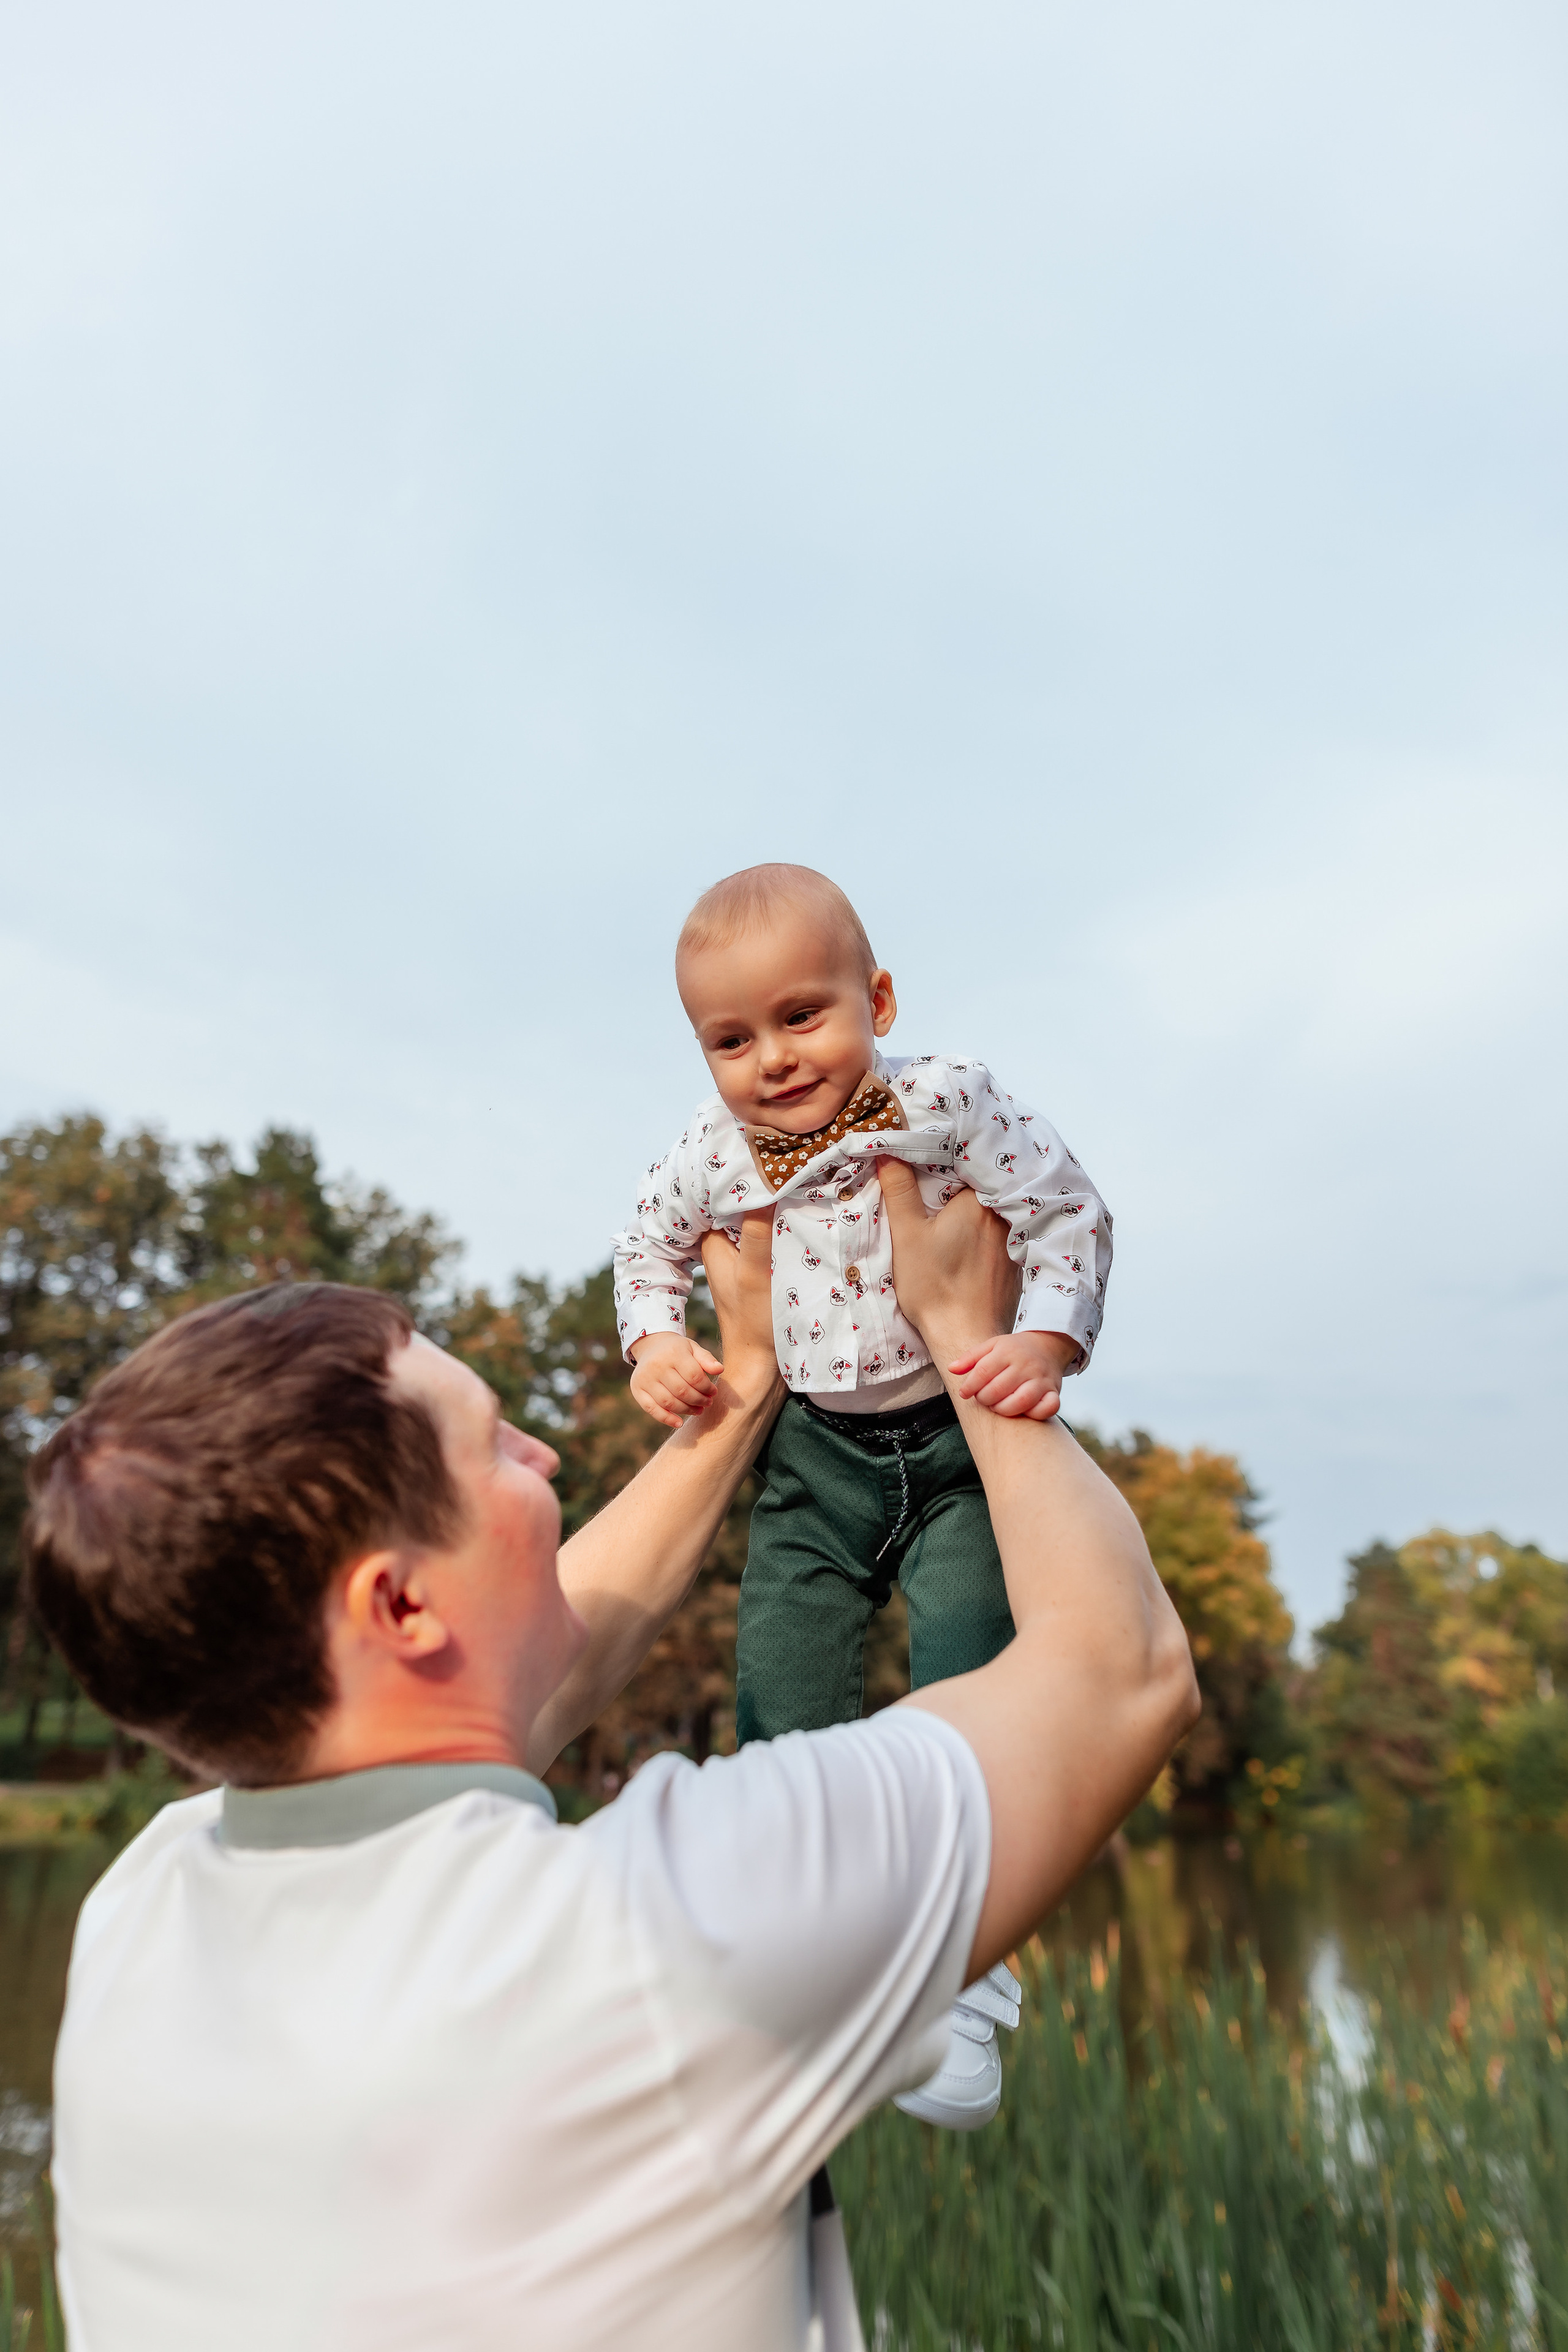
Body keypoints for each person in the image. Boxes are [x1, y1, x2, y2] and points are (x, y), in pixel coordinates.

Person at [26, 1169, 1196, 2352]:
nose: (543, 1457)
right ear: (399, 1606)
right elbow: (1123, 1667)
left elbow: (527, 1675)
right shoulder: (668, 1929)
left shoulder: (148, 1904)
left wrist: (741, 1393)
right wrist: (970, 1341)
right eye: (493, 1447)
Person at [612, 862, 1112, 2124]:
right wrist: (654, 1345)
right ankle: (800, 1953)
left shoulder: (949, 1101)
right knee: (779, 1685)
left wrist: (1045, 1343)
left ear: (875, 997)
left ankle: (965, 1971)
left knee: (968, 1668)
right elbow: (643, 1252)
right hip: (813, 1459)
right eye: (730, 1039)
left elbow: (1064, 1215)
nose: (772, 1060)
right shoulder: (708, 1154)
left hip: (952, 1444)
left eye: (801, 1017)